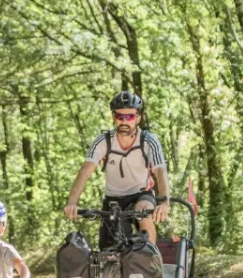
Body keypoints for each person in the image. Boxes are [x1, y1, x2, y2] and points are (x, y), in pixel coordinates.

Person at [63, 91, 170, 246]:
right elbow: (85, 170)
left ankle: (152, 261)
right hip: (113, 200)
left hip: (140, 194)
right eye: (120, 116)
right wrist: (72, 201)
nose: (124, 121)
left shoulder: (148, 141)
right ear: (114, 117)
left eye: (130, 117)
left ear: (138, 118)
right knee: (108, 251)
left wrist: (164, 201)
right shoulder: (103, 141)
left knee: (143, 212)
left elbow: (160, 170)